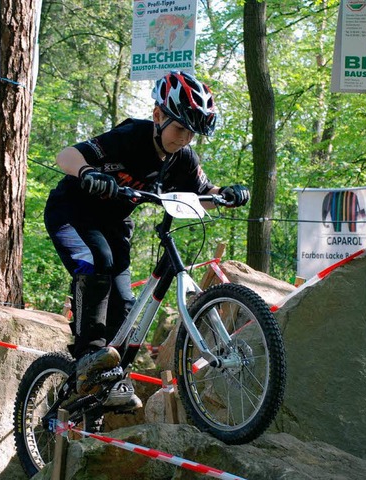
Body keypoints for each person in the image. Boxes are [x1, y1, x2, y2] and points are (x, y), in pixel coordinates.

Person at [44, 71, 250, 414]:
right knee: (98, 265)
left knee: (124, 305)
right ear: (158, 115)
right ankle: (86, 358)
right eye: (180, 129)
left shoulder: (183, 158)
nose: (184, 139)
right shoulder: (130, 136)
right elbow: (66, 156)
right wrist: (87, 173)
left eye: (192, 133)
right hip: (71, 212)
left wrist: (227, 195)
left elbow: (205, 194)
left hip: (113, 223)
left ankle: (105, 379)